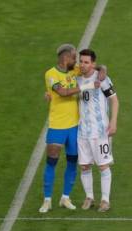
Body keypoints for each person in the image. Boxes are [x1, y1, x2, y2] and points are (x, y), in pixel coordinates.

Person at [39, 44, 104, 213]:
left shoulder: (74, 69)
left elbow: (100, 67)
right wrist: (88, 86)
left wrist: (101, 75)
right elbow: (63, 92)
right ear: (65, 58)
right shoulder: (51, 74)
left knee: (72, 161)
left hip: (75, 126)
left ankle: (65, 198)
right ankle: (47, 200)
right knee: (52, 161)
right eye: (74, 58)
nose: (77, 62)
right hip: (57, 125)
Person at [77, 49, 119, 212]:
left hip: (100, 131)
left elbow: (114, 101)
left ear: (93, 64)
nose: (83, 64)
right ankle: (89, 197)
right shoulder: (77, 79)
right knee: (85, 166)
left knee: (103, 166)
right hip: (83, 131)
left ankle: (105, 200)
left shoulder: (102, 79)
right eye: (81, 61)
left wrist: (113, 121)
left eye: (87, 62)